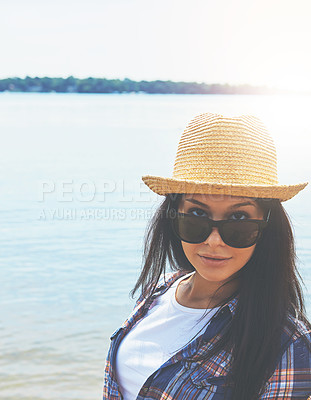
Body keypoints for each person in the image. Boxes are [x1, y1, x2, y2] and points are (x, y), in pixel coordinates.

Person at [103, 113, 311, 400]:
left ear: (267, 227)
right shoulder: (159, 291)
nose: (214, 241)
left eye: (239, 218)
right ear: (173, 216)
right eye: (198, 215)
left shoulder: (287, 343)